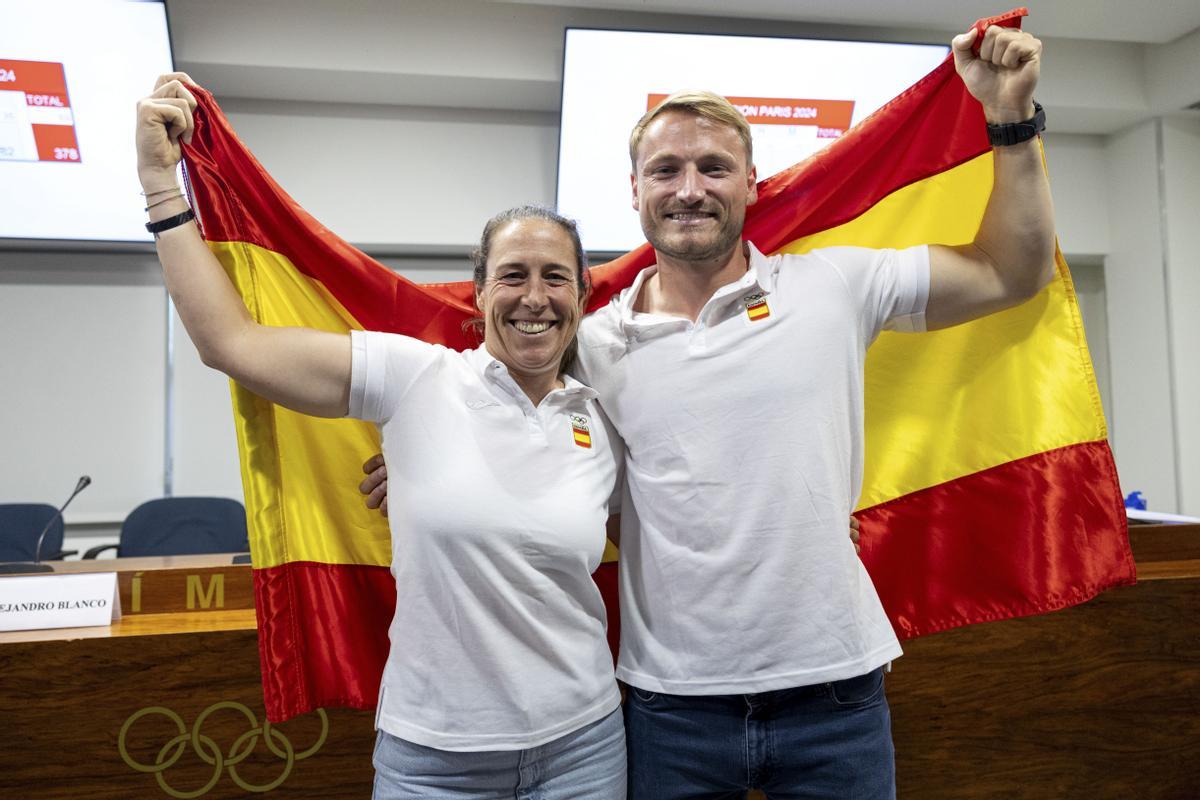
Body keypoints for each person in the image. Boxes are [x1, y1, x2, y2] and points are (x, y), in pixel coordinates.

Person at [360, 22, 1055, 800]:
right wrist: (429, 456)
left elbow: (1011, 271)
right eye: (665, 169)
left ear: (751, 183)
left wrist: (1012, 122)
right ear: (635, 191)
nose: (689, 187)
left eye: (713, 167)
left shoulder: (834, 287)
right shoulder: (593, 340)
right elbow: (504, 409)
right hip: (671, 708)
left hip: (834, 692)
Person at [136, 75, 627, 799]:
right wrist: (157, 186)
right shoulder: (415, 377)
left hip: (585, 748)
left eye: (556, 278)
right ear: (479, 292)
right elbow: (231, 344)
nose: (534, 297)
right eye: (512, 276)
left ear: (583, 298)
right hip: (435, 758)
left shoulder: (605, 415)